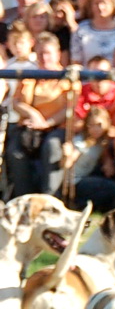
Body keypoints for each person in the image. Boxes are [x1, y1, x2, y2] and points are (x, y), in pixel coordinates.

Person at [6, 31, 72, 196]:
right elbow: (16, 102)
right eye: (40, 53)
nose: (44, 58)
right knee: (14, 150)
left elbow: (69, 108)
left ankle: (50, 197)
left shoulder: (66, 79)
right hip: (30, 127)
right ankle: (24, 197)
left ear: (57, 54)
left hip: (56, 127)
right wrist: (33, 114)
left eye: (48, 53)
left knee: (52, 147)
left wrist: (46, 123)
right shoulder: (29, 76)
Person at [61, 104, 115, 212]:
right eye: (91, 125)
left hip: (87, 176)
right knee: (113, 188)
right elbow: (67, 164)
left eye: (99, 125)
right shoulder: (81, 142)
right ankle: (79, 203)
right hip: (75, 182)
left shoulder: (101, 142)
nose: (95, 129)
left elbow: (104, 155)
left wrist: (108, 162)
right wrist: (67, 155)